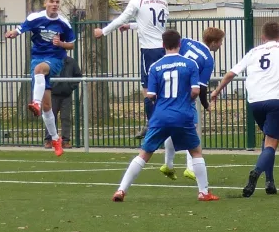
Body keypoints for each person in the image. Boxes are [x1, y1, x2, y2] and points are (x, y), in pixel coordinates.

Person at [112, 29, 219, 202]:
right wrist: (184, 98)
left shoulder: (155, 66)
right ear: (179, 44)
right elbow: (195, 91)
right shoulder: (190, 65)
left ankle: (121, 190)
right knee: (196, 152)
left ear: (163, 45)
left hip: (160, 115)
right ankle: (203, 192)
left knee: (144, 154)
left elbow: (150, 95)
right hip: (183, 114)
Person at [93, 0, 169, 139]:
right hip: (163, 50)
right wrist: (131, 26)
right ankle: (161, 122)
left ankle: (152, 125)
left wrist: (103, 31)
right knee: (161, 89)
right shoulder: (163, 0)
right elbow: (152, 25)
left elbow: (122, 17)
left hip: (149, 50)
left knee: (147, 90)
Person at [211, 21, 279, 197]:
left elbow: (231, 73)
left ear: (263, 37)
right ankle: (256, 172)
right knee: (271, 143)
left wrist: (217, 91)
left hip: (255, 101)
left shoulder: (254, 52)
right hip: (275, 101)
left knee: (268, 138)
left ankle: (270, 183)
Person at [5, 0, 75, 157]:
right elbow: (20, 29)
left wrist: (61, 43)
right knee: (47, 107)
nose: (55, 5)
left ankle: (34, 102)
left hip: (55, 60)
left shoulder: (64, 23)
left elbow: (71, 45)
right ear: (45, 3)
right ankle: (56, 139)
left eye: (57, 2)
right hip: (37, 58)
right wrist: (12, 34)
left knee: (39, 70)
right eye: (51, 1)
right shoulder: (35, 18)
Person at [160, 28, 225, 181]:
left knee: (173, 129)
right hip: (185, 95)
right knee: (191, 129)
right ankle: (190, 168)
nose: (221, 45)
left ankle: (168, 165)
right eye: (220, 42)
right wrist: (206, 104)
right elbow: (202, 87)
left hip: (168, 89)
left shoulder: (187, 41)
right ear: (214, 42)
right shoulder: (208, 59)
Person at [44, 56, 82, 149]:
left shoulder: (71, 62)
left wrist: (70, 87)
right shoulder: (50, 61)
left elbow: (78, 76)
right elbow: (44, 75)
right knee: (50, 117)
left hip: (66, 95)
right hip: (53, 94)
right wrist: (50, 86)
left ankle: (65, 141)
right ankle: (49, 140)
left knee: (66, 117)